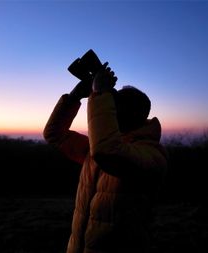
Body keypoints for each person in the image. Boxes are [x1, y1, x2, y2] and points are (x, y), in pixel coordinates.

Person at [43, 62, 168, 253]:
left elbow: (108, 152)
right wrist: (75, 96)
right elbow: (54, 134)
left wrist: (100, 94)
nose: (110, 108)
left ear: (135, 114)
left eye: (115, 104)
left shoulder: (152, 155)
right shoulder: (95, 149)